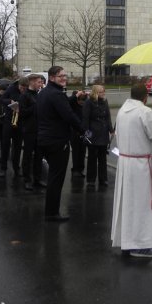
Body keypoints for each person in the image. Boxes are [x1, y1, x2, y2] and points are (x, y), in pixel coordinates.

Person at [111, 83, 152, 259]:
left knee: (128, 204)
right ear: (145, 97)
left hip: (125, 162)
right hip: (140, 165)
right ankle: (140, 245)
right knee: (141, 205)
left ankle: (127, 240)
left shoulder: (122, 111)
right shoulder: (144, 112)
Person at [36, 66, 85, 221]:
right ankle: (52, 213)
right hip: (57, 141)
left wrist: (72, 98)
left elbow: (58, 107)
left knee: (53, 176)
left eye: (65, 75)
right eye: (60, 76)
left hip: (45, 139)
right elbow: (68, 115)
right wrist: (84, 130)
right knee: (56, 178)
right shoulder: (56, 94)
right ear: (51, 78)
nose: (64, 78)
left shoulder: (44, 92)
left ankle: (50, 211)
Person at [82, 85, 114, 188]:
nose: (103, 94)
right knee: (92, 158)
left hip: (103, 133)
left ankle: (103, 179)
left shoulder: (105, 101)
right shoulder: (89, 102)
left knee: (102, 158)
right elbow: (85, 119)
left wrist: (111, 130)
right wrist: (87, 135)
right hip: (93, 133)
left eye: (103, 92)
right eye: (101, 92)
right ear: (95, 92)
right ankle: (91, 180)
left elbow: (108, 117)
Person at [19, 74, 44, 190]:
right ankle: (26, 179)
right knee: (28, 156)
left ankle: (37, 179)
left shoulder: (39, 95)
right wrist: (34, 107)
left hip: (39, 130)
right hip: (29, 130)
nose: (41, 84)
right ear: (32, 82)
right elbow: (22, 113)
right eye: (39, 82)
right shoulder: (24, 96)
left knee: (39, 156)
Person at [0, 78, 24, 178]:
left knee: (17, 147)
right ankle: (3, 168)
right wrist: (10, 101)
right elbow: (2, 99)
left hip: (20, 121)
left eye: (25, 88)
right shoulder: (11, 89)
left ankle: (16, 168)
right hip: (9, 120)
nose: (23, 90)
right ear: (19, 85)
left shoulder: (27, 90)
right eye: (22, 88)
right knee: (5, 145)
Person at [68, 90, 87, 178]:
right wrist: (76, 95)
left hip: (83, 132)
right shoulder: (72, 106)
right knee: (76, 152)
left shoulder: (84, 106)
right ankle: (75, 169)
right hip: (74, 132)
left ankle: (80, 169)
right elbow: (69, 101)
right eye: (80, 101)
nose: (82, 103)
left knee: (82, 152)